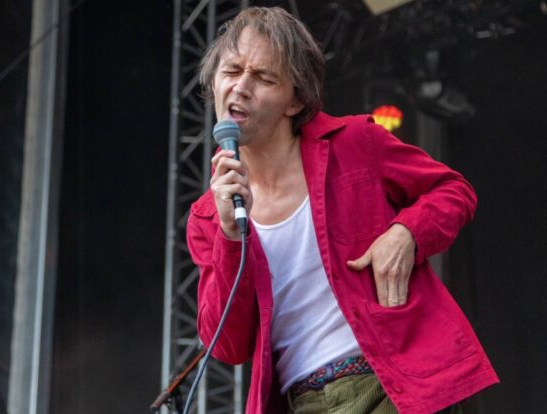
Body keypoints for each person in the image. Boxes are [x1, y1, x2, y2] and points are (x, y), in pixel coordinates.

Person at [186, 6, 498, 414]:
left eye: (263, 78)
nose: (241, 87)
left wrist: (407, 233)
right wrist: (229, 236)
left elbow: (453, 190)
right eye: (231, 71)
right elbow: (226, 345)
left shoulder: (354, 142)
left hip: (395, 381)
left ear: (295, 101)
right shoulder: (208, 216)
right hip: (306, 400)